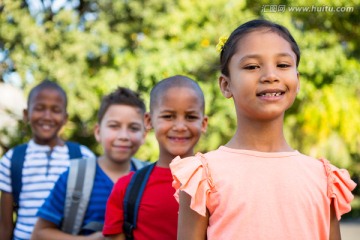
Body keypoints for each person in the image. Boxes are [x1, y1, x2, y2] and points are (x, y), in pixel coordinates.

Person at [170, 19, 357, 240]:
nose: (270, 75)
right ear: (225, 85)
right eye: (252, 66)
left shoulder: (323, 177)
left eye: (283, 65)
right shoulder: (203, 176)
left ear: (297, 81)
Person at [31, 87, 148, 239]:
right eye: (114, 126)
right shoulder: (74, 177)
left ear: (144, 135)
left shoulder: (149, 178)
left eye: (133, 128)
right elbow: (39, 234)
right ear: (98, 132)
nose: (123, 136)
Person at [103, 75, 208, 240]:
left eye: (190, 117)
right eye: (168, 116)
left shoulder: (217, 182)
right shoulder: (126, 188)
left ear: (203, 123)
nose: (180, 126)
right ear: (149, 120)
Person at [0, 80, 95, 240]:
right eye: (39, 108)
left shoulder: (83, 157)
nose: (47, 116)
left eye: (56, 110)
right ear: (26, 114)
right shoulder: (12, 160)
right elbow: (5, 225)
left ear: (65, 118)